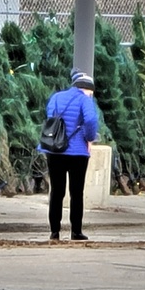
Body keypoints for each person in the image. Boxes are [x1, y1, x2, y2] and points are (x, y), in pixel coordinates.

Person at [37, 70, 100, 241]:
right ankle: (76, 232)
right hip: (77, 152)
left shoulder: (56, 97)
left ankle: (54, 231)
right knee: (76, 192)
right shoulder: (84, 100)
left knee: (56, 191)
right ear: (87, 88)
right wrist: (89, 137)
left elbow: (51, 117)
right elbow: (91, 120)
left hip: (54, 150)